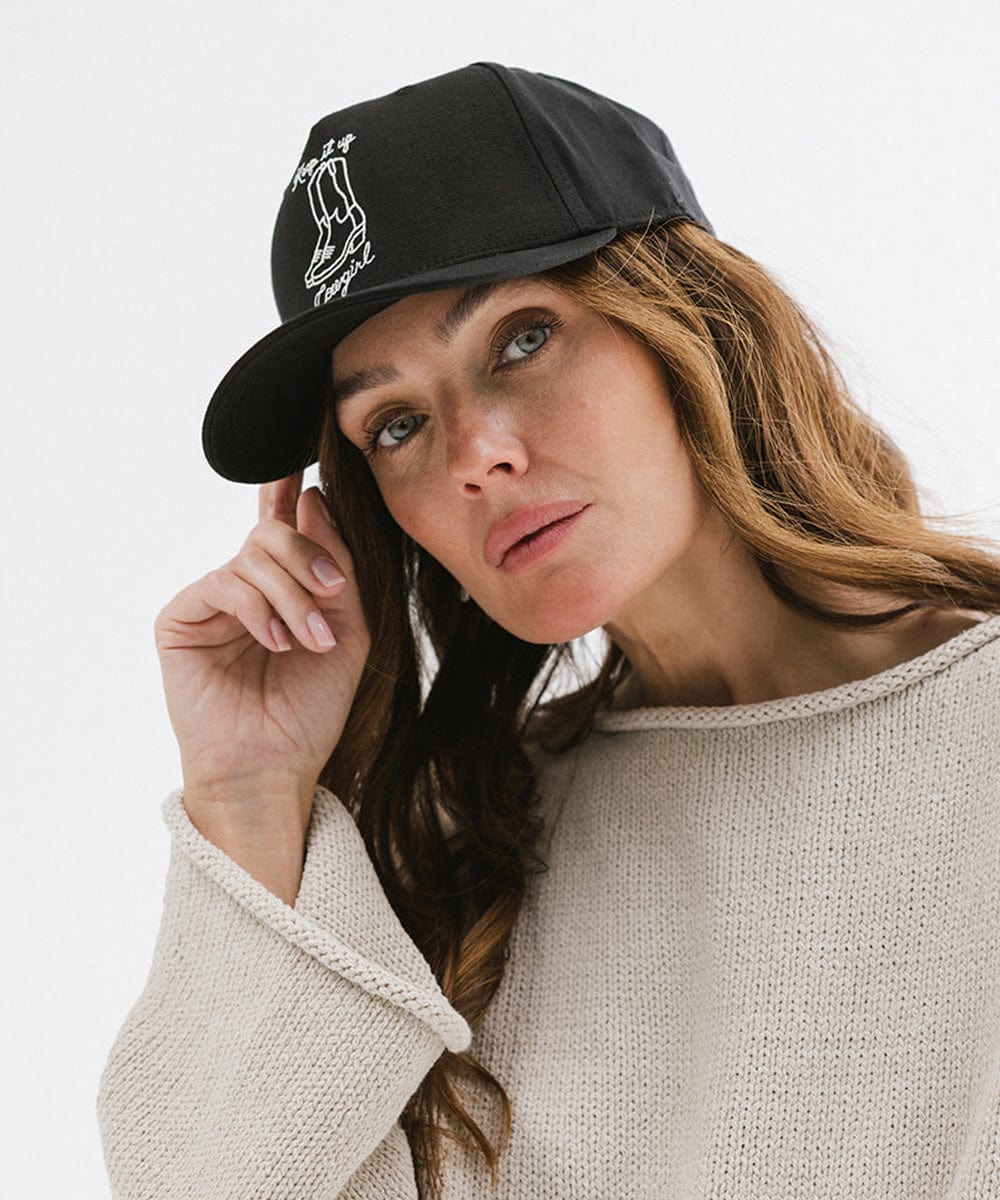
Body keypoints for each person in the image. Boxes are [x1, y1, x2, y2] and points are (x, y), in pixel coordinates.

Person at [95, 62, 1000, 1199]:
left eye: (521, 340)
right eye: (397, 423)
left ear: (691, 326)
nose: (477, 457)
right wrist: (245, 796)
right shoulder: (466, 850)